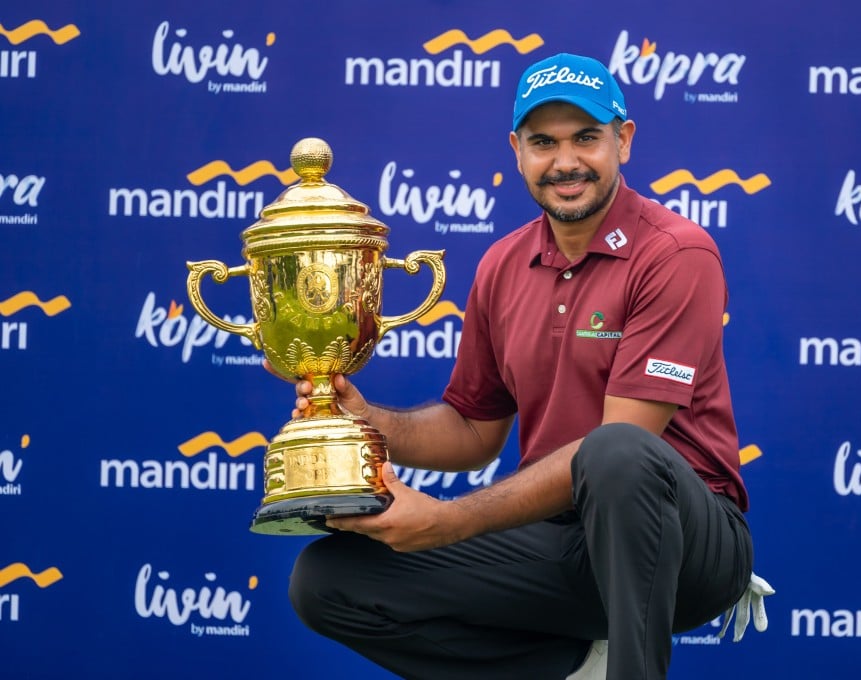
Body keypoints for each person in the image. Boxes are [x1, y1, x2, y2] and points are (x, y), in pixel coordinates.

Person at [282, 53, 757, 680]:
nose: (565, 162)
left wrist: (448, 522)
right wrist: (366, 419)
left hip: (686, 543)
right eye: (543, 142)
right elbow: (474, 430)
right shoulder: (502, 265)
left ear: (624, 140)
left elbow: (628, 444)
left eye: (586, 138)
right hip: (560, 541)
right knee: (326, 579)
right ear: (516, 150)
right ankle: (573, 665)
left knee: (616, 453)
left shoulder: (676, 253)